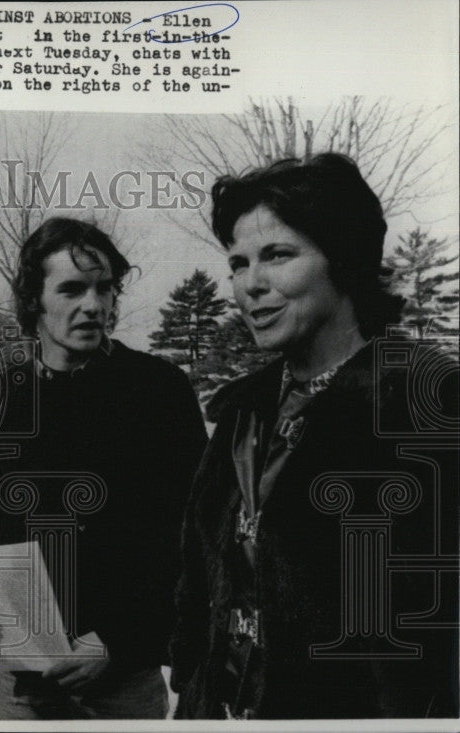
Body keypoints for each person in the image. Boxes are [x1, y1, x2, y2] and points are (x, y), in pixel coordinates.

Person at [170, 153, 459, 719]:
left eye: (278, 255)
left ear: (344, 261)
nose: (251, 283)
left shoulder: (425, 401)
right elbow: (200, 576)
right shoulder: (242, 411)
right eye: (238, 262)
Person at [0, 217, 208, 719]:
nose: (93, 305)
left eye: (104, 288)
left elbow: (193, 537)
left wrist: (120, 641)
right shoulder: (9, 394)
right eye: (71, 289)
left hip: (121, 682)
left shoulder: (157, 390)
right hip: (24, 684)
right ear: (33, 300)